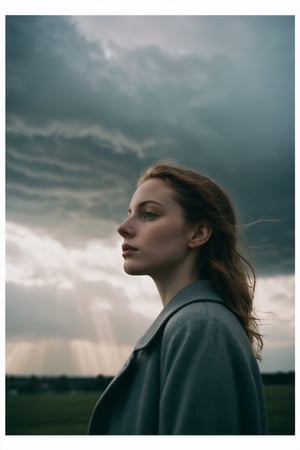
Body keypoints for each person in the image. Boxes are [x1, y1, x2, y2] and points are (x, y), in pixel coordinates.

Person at [88, 161, 267, 435]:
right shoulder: (191, 323)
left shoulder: (200, 326)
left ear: (197, 233)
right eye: (129, 213)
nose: (123, 227)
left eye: (148, 214)